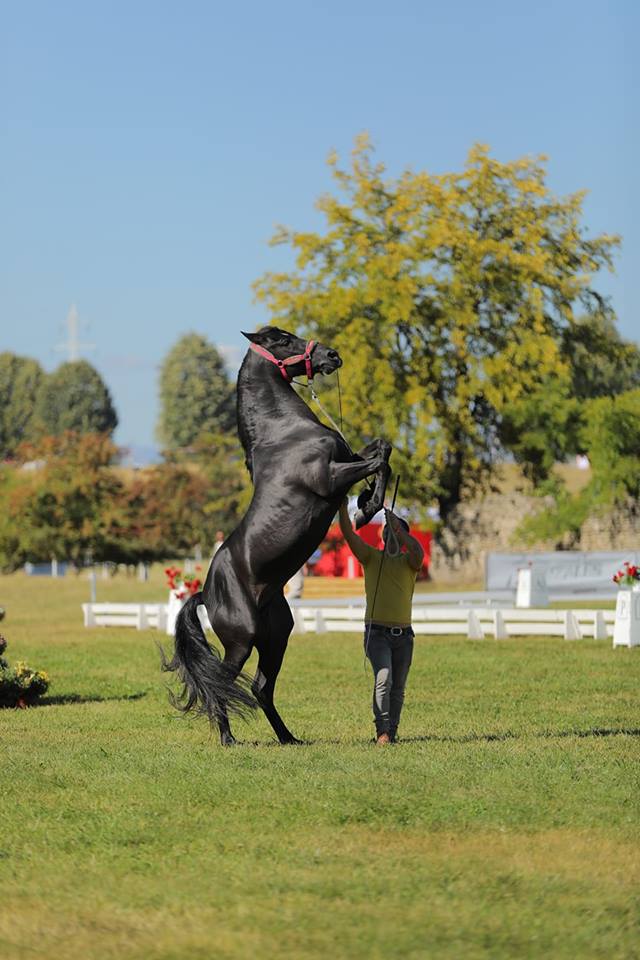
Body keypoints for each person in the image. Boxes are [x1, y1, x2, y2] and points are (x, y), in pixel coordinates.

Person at [339, 498, 424, 745]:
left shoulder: (410, 563)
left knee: (398, 688)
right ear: (383, 536)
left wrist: (397, 527)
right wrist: (342, 508)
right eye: (389, 532)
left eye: (397, 532)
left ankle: (392, 731)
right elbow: (348, 534)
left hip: (405, 636)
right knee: (384, 677)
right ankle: (382, 732)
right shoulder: (371, 557)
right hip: (376, 634)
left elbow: (418, 551)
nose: (393, 535)